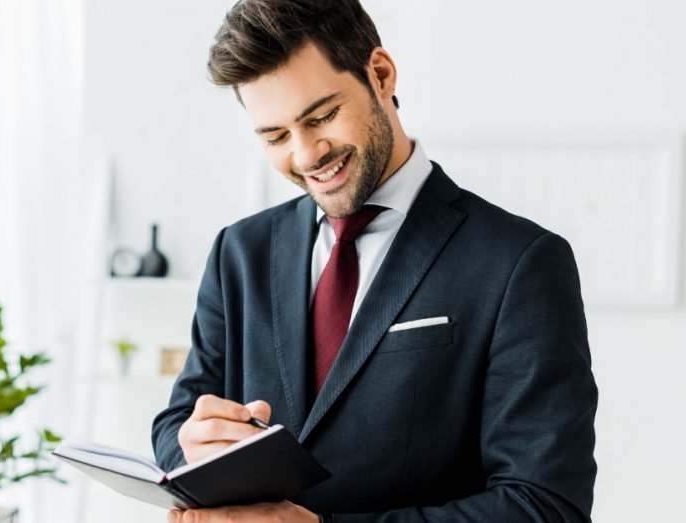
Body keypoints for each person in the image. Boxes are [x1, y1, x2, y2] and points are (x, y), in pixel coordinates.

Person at [151, 1, 598, 522]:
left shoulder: (519, 262)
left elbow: (544, 506)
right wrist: (194, 441)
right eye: (274, 137)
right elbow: (179, 421)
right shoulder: (240, 251)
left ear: (380, 75)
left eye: (321, 117)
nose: (305, 154)